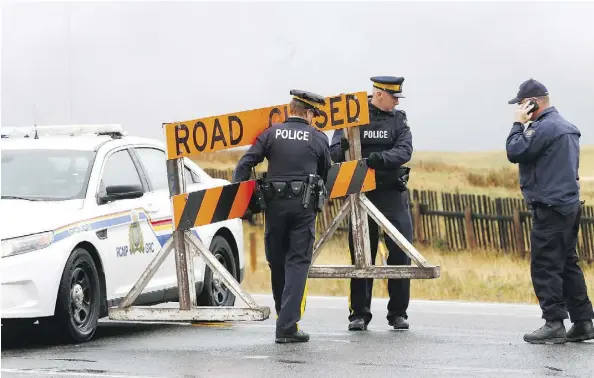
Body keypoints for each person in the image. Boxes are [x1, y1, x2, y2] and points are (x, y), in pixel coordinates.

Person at [232, 89, 332, 344]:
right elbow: (325, 172)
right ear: (309, 113)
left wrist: (241, 203)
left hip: (274, 208)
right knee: (297, 263)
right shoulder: (318, 138)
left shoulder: (271, 134)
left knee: (277, 261)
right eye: (314, 115)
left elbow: (245, 164)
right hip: (304, 208)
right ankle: (287, 326)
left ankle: (283, 315)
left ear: (290, 110)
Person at [506, 78, 594, 344]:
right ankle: (583, 322)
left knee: (545, 265)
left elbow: (515, 150)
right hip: (568, 205)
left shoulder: (544, 127)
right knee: (567, 263)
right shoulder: (567, 127)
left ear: (533, 102)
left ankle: (553, 322)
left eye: (522, 104)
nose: (520, 108)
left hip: (550, 207)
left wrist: (518, 123)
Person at [330, 76, 414, 331]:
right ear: (379, 95)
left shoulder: (399, 119)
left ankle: (398, 313)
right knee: (361, 253)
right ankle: (359, 314)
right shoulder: (350, 117)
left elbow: (405, 150)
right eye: (393, 97)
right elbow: (333, 153)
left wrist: (378, 159)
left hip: (391, 194)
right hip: (360, 194)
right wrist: (345, 142)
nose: (397, 101)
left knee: (400, 254)